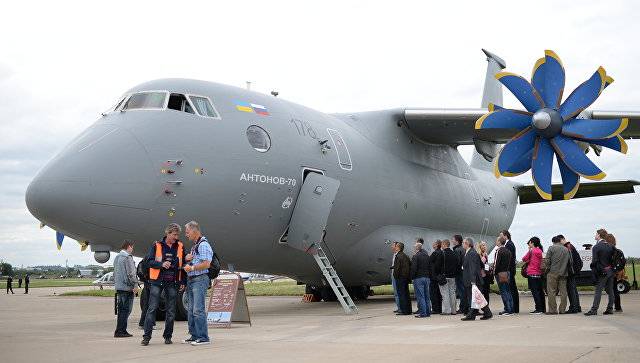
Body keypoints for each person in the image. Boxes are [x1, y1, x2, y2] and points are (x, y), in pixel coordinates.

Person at [141, 223, 187, 346]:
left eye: (177, 235)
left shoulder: (180, 246)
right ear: (168, 233)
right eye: (174, 234)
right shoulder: (156, 245)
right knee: (152, 309)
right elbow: (149, 261)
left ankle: (168, 336)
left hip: (172, 282)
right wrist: (161, 264)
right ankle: (146, 336)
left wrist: (183, 281)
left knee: (171, 311)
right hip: (157, 281)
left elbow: (182, 265)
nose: (176, 237)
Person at [182, 221, 213, 345]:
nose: (186, 234)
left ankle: (203, 337)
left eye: (187, 232)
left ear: (195, 231)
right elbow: (196, 261)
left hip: (199, 279)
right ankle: (194, 335)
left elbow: (207, 264)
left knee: (198, 310)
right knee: (191, 310)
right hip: (192, 279)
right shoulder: (195, 246)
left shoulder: (203, 245)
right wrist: (187, 260)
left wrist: (192, 268)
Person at [585, 229, 615, 316]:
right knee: (610, 290)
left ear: (599, 235)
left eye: (596, 234)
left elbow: (595, 261)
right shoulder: (610, 246)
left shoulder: (596, 247)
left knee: (598, 291)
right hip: (610, 271)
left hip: (602, 272)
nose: (595, 235)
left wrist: (594, 271)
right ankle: (610, 309)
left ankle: (594, 310)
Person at [461, 237, 492, 321]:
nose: (462, 244)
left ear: (467, 244)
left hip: (473, 280)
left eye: (463, 243)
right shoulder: (470, 252)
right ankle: (487, 313)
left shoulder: (471, 253)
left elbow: (473, 268)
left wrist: (473, 281)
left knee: (473, 297)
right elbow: (481, 265)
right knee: (477, 297)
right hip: (473, 279)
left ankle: (471, 315)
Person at [114, 241, 139, 338]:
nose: (132, 250)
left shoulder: (117, 258)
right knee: (126, 310)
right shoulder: (127, 258)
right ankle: (122, 331)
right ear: (129, 247)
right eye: (132, 247)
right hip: (127, 288)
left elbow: (115, 272)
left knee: (121, 310)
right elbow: (131, 273)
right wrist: (135, 284)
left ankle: (119, 330)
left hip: (119, 287)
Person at [545, 235, 570, 315]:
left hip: (552, 272)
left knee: (551, 291)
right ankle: (562, 310)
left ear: (553, 242)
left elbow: (547, 260)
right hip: (563, 273)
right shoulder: (566, 249)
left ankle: (553, 310)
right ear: (559, 241)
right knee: (563, 292)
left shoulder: (551, 248)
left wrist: (548, 269)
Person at [434, 239, 459, 315]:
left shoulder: (442, 253)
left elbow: (437, 266)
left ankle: (447, 310)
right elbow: (457, 264)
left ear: (444, 245)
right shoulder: (454, 253)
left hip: (443, 276)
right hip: (452, 276)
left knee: (445, 294)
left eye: (442, 245)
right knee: (452, 293)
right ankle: (454, 310)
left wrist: (437, 273)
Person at [522, 237, 545, 314]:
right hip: (539, 273)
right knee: (539, 291)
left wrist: (529, 250)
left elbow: (524, 259)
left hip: (531, 273)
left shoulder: (532, 251)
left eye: (529, 243)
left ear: (532, 243)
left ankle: (538, 309)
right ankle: (542, 308)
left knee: (535, 292)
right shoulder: (540, 251)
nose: (529, 244)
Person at [561, 236, 583, 314]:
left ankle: (573, 308)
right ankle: (577, 307)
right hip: (574, 270)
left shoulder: (567, 247)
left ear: (563, 240)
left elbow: (570, 260)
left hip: (571, 271)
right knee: (574, 290)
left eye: (560, 241)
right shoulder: (570, 246)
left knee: (571, 290)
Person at [493, 236, 513, 316]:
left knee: (503, 291)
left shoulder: (499, 251)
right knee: (508, 291)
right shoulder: (508, 251)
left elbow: (496, 263)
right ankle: (511, 309)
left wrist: (494, 272)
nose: (496, 242)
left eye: (497, 240)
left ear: (499, 242)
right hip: (507, 272)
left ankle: (507, 309)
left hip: (500, 273)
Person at [410, 239, 431, 318]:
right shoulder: (427, 255)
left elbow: (414, 268)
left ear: (416, 248)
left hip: (418, 278)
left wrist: (412, 277)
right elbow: (429, 266)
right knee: (427, 296)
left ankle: (423, 313)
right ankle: (428, 312)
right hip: (427, 277)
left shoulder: (416, 256)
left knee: (421, 296)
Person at [499, 230, 519, 313]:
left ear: (505, 236)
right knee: (511, 289)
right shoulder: (509, 244)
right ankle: (514, 308)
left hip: (509, 270)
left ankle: (513, 308)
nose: (500, 237)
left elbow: (509, 259)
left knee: (511, 289)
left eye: (501, 235)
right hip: (509, 270)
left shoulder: (509, 244)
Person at [606, 233, 625, 312]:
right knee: (615, 289)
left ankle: (612, 306)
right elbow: (623, 262)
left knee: (611, 289)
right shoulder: (618, 251)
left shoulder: (609, 250)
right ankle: (618, 307)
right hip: (617, 272)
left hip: (610, 272)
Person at [392, 242, 412, 315]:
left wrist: (395, 276)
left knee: (401, 294)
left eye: (396, 246)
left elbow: (397, 268)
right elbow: (410, 265)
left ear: (398, 248)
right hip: (405, 278)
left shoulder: (398, 256)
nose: (395, 247)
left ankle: (404, 311)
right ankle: (408, 310)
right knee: (406, 294)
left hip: (400, 278)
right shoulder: (406, 256)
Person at [452, 234, 467, 314]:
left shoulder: (457, 250)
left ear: (457, 241)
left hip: (459, 274)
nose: (452, 241)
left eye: (453, 239)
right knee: (464, 290)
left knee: (461, 291)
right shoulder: (463, 249)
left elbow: (457, 263)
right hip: (463, 273)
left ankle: (462, 308)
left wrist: (454, 272)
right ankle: (465, 307)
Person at [428, 240, 443, 314]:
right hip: (439, 276)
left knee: (433, 293)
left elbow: (429, 262)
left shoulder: (435, 253)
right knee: (439, 293)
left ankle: (435, 309)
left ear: (436, 245)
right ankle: (439, 308)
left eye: (433, 244)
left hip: (433, 276)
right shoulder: (441, 252)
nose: (432, 245)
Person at [390, 242, 401, 313]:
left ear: (397, 247)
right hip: (393, 274)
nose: (391, 247)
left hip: (396, 276)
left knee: (397, 293)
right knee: (396, 293)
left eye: (393, 246)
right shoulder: (394, 255)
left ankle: (400, 308)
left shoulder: (398, 255)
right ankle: (399, 307)